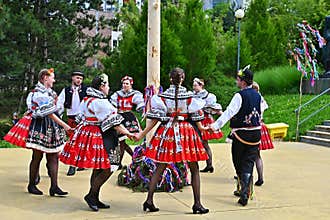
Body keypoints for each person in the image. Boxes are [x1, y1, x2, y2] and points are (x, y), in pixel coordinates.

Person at [135, 67, 209, 214]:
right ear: (183, 78)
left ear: (170, 79)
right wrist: (205, 128)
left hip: (167, 131)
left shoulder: (161, 97)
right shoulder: (190, 97)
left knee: (160, 166)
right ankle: (197, 204)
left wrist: (142, 134)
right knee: (194, 168)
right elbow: (197, 119)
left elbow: (155, 119)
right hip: (186, 132)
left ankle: (149, 200)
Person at [60, 74, 135, 212]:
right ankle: (91, 195)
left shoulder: (88, 99)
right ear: (101, 87)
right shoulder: (101, 102)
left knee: (99, 167)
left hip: (88, 132)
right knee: (108, 167)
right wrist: (129, 133)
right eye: (107, 85)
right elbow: (114, 123)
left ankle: (94, 196)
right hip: (101, 135)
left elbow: (80, 117)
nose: (109, 88)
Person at [4, 68, 71, 196]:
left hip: (50, 126)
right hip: (40, 126)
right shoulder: (39, 94)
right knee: (37, 156)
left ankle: (54, 186)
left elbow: (55, 110)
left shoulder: (49, 93)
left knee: (54, 156)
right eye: (52, 77)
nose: (54, 80)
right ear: (45, 78)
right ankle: (32, 184)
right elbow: (50, 113)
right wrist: (64, 125)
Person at [211, 65, 261, 206]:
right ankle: (245, 190)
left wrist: (215, 126)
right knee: (249, 162)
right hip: (256, 133)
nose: (236, 81)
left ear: (243, 82)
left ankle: (244, 191)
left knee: (238, 162)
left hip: (242, 134)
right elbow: (261, 111)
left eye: (238, 79)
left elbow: (229, 112)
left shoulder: (239, 95)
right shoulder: (258, 95)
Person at [109, 76, 144, 167]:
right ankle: (134, 158)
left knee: (124, 140)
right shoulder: (117, 94)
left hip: (128, 117)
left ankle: (124, 161)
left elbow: (140, 103)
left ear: (131, 84)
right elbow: (112, 104)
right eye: (124, 83)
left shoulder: (135, 94)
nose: (125, 85)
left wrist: (141, 107)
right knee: (121, 141)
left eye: (127, 83)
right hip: (119, 116)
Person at [57, 71, 87, 176]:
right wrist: (57, 116)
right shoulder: (66, 90)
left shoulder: (86, 90)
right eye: (77, 78)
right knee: (73, 141)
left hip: (84, 119)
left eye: (81, 78)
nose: (79, 80)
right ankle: (72, 165)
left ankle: (81, 163)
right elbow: (60, 103)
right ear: (72, 78)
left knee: (82, 141)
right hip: (71, 118)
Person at [192, 78, 223, 173]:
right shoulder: (193, 95)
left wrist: (223, 115)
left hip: (204, 119)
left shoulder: (208, 96)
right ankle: (207, 164)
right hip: (196, 119)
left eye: (195, 85)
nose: (194, 87)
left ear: (201, 85)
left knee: (204, 143)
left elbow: (215, 108)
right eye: (193, 85)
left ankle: (208, 164)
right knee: (200, 143)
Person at [252, 82, 274, 186]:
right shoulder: (261, 99)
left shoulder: (253, 99)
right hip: (261, 125)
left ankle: (247, 175)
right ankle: (260, 177)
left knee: (250, 154)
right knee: (257, 155)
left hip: (253, 127)